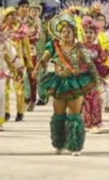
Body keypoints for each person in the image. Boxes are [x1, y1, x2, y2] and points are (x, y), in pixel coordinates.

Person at [34, 13, 99, 156]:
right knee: (58, 115)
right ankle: (59, 143)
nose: (65, 34)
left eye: (68, 31)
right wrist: (37, 68)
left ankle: (75, 146)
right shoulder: (53, 46)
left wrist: (96, 81)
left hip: (75, 83)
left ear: (74, 33)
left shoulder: (79, 48)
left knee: (74, 115)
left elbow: (90, 65)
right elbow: (44, 59)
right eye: (63, 31)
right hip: (58, 82)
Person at [81, 16, 109, 134]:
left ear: (95, 34)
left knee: (96, 100)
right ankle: (86, 123)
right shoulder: (79, 47)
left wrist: (104, 73)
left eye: (91, 32)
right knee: (84, 101)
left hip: (94, 78)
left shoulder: (98, 48)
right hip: (82, 78)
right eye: (86, 32)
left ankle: (96, 122)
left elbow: (101, 62)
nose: (88, 34)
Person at [2, 7, 30, 122]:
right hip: (4, 63)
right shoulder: (1, 30)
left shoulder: (21, 30)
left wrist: (29, 63)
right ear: (6, 17)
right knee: (4, 88)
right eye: (10, 15)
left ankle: (20, 111)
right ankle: (6, 111)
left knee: (19, 88)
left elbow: (26, 48)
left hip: (18, 64)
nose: (13, 17)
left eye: (15, 14)